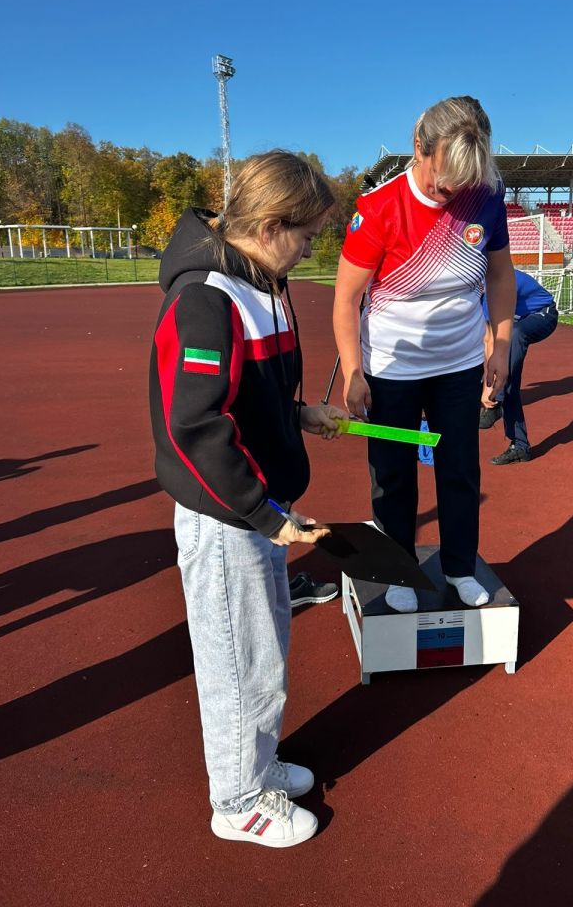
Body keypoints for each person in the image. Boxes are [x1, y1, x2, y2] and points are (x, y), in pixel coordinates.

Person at [149, 150, 345, 848]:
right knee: (240, 659)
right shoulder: (206, 297)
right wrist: (267, 517)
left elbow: (249, 398)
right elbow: (197, 429)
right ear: (268, 224)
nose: (314, 247)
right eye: (309, 234)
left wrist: (296, 415)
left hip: (257, 508)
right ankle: (237, 801)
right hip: (227, 513)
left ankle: (255, 765)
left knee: (266, 649)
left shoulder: (259, 281)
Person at [333, 96, 516, 614]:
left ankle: (459, 566)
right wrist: (353, 372)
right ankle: (397, 569)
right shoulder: (377, 208)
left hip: (458, 367)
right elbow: (346, 299)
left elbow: (501, 275)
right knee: (393, 474)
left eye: (461, 181)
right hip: (391, 370)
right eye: (441, 179)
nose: (450, 191)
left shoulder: (486, 196)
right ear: (419, 148)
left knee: (459, 470)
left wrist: (499, 344)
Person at [479, 268, 558, 463]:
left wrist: (491, 387)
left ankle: (495, 402)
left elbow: (497, 340)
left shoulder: (495, 283)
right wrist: (486, 382)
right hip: (515, 327)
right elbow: (488, 339)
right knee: (496, 371)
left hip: (543, 315)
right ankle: (519, 445)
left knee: (508, 368)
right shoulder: (479, 294)